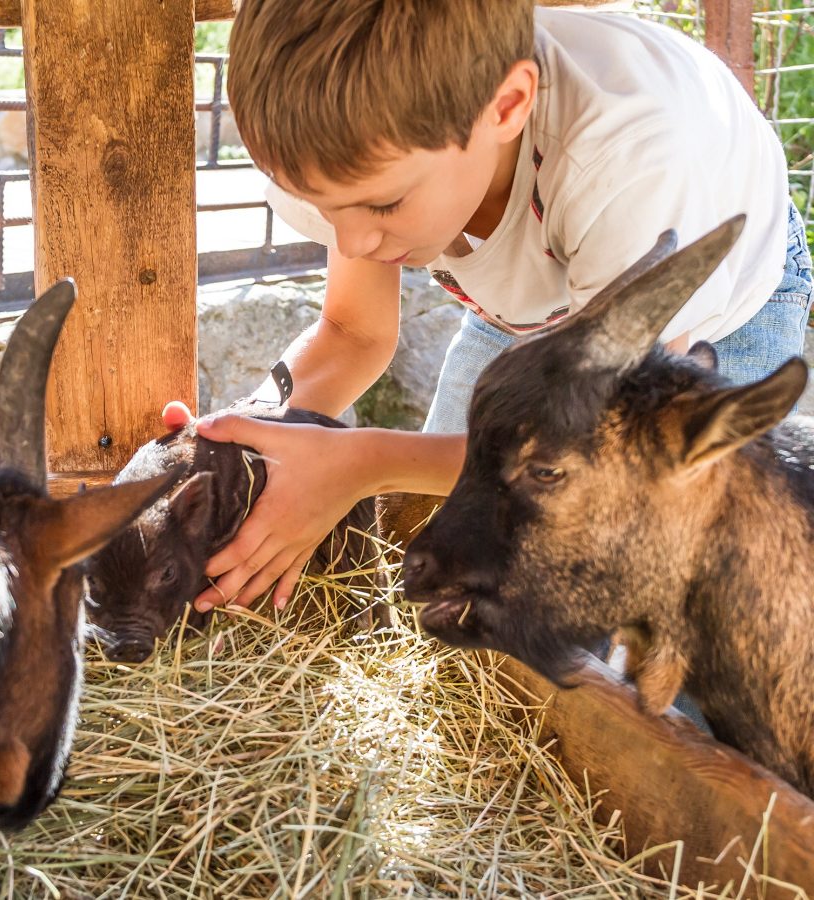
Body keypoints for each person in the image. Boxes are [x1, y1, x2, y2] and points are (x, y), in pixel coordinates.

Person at [187, 0, 813, 614]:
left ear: (507, 106)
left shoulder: (628, 164)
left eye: (382, 207)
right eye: (325, 209)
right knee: (449, 560)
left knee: (682, 596)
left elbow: (606, 448)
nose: (352, 244)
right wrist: (249, 435)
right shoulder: (349, 146)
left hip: (719, 306)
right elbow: (353, 332)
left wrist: (359, 463)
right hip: (531, 306)